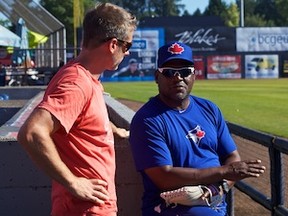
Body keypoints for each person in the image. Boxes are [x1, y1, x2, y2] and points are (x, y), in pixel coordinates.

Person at [17, 3, 137, 216]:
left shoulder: (84, 78)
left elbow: (80, 118)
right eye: (126, 46)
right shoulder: (76, 82)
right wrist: (73, 182)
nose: (127, 53)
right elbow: (32, 132)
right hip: (84, 209)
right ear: (112, 45)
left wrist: (110, 128)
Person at [129, 41, 266, 216]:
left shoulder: (209, 109)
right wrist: (225, 172)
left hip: (215, 206)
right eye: (169, 72)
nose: (178, 77)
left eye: (185, 72)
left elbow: (231, 156)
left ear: (194, 75)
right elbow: (164, 176)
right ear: (157, 77)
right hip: (167, 210)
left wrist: (215, 191)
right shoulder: (147, 119)